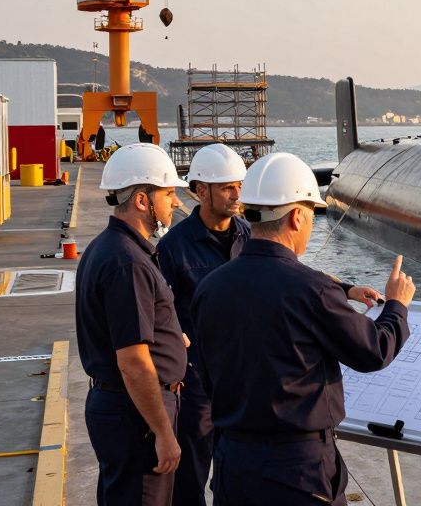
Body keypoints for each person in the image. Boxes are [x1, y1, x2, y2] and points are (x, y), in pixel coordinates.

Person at [158, 144, 386, 506]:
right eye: (227, 187)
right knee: (191, 478)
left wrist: (345, 288)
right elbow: (372, 349)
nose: (235, 195)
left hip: (238, 424)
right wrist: (398, 307)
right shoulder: (173, 248)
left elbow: (292, 279)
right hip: (211, 390)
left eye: (239, 186)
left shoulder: (246, 239)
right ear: (200, 190)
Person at [75, 142, 188, 505]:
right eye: (168, 193)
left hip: (121, 408)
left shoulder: (106, 247)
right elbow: (134, 362)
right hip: (136, 415)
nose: (175, 202)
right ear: (142, 200)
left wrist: (170, 338)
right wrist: (162, 432)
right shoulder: (130, 264)